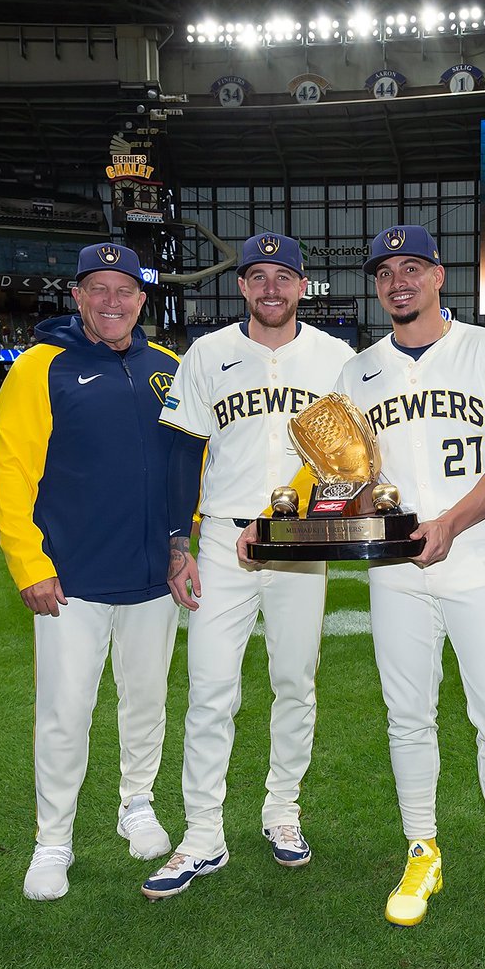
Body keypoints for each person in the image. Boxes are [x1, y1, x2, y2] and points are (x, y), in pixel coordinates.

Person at [335, 225, 485, 951]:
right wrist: (344, 506)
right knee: (407, 717)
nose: (397, 281)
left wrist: (453, 522)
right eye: (384, 272)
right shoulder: (357, 372)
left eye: (411, 268)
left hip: (476, 559)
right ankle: (422, 853)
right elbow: (353, 479)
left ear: (438, 275)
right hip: (395, 568)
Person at [141, 232, 350, 899]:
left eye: (282, 277)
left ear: (300, 287)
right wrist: (179, 545)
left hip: (299, 542)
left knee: (295, 682)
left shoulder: (337, 359)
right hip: (222, 544)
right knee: (209, 691)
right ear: (242, 287)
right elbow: (180, 455)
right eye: (258, 277)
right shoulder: (207, 354)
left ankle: (281, 811)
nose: (269, 288)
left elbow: (351, 463)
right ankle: (203, 833)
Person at [0, 242, 181, 901]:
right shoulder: (42, 367)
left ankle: (137, 805)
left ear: (141, 299)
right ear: (77, 297)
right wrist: (29, 563)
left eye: (123, 290)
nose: (111, 301)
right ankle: (54, 839)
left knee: (146, 703)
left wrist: (186, 548)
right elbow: (10, 469)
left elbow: (194, 471)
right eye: (97, 289)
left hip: (152, 578)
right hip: (69, 580)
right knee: (65, 714)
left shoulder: (170, 367)